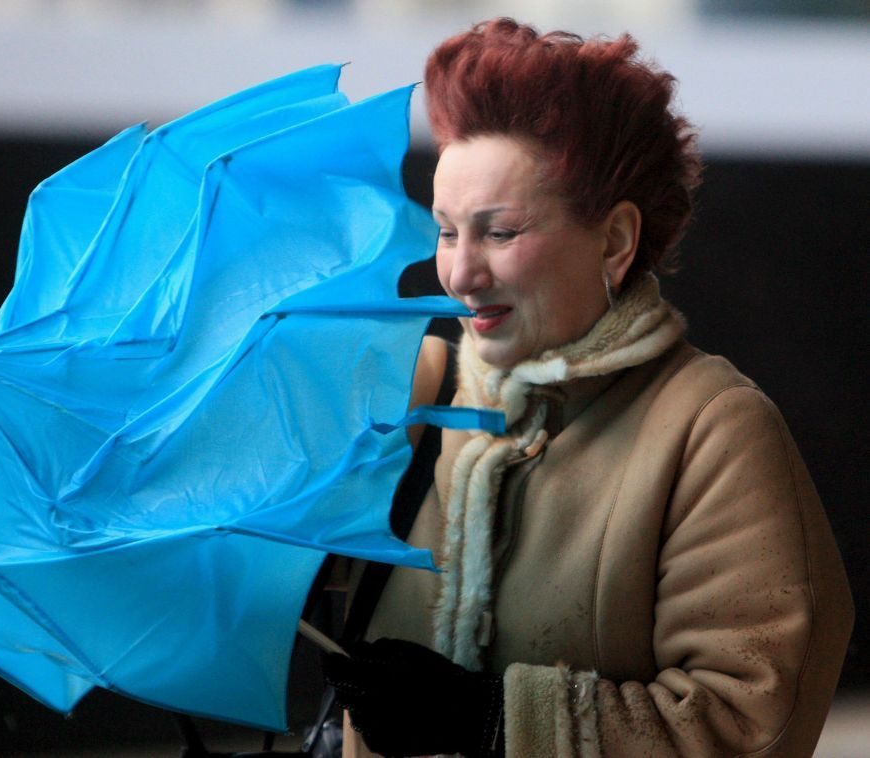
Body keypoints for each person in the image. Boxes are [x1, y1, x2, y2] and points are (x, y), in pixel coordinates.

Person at [323, 17, 853, 758]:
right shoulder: (406, 400)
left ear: (613, 241)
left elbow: (747, 720)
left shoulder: (710, 430)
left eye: (499, 232)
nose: (460, 274)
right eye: (446, 231)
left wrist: (495, 720)